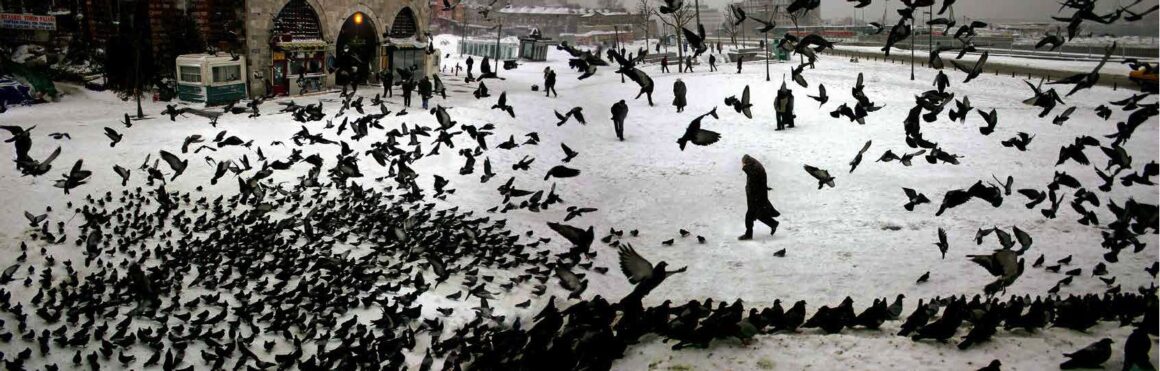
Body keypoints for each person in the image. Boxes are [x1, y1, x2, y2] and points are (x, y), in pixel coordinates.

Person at [739, 155, 780, 240]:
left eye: (743, 163)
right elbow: (759, 180)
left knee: (750, 215)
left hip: (755, 197)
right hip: (757, 196)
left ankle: (748, 235)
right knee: (758, 214)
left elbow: (755, 180)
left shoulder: (753, 169)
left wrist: (745, 168)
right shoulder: (755, 166)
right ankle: (773, 224)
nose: (742, 165)